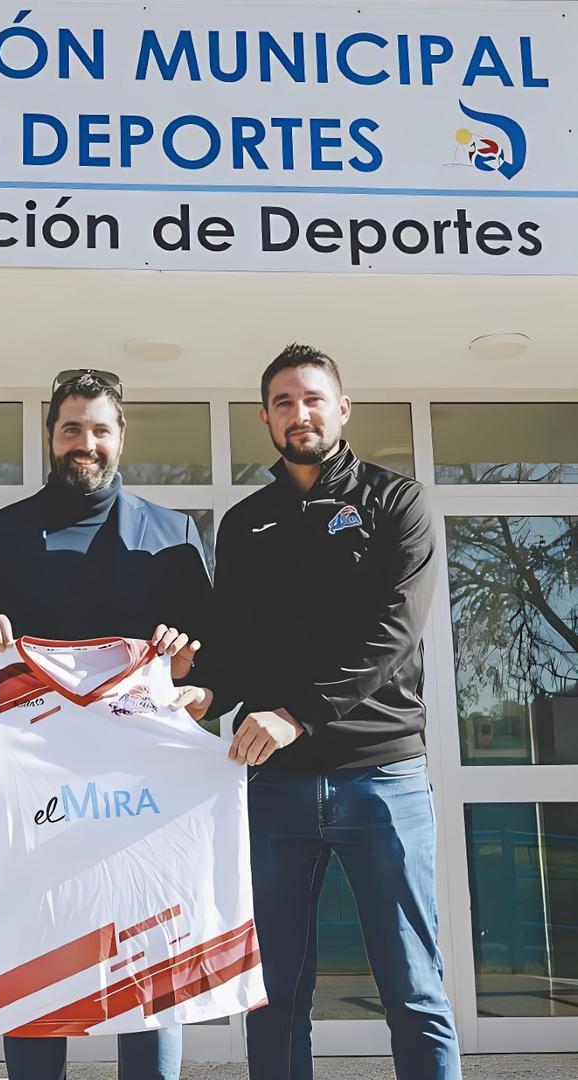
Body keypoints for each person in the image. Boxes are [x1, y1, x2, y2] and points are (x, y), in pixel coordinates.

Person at [0, 370, 214, 1080]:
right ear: (50, 436)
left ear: (122, 436)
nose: (84, 443)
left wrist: (190, 674)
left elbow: (211, 662)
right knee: (38, 971)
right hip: (38, 796)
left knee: (149, 971)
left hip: (142, 800)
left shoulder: (174, 535)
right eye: (71, 429)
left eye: (98, 429)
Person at [211, 345, 462, 1080]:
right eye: (283, 403)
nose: (300, 413)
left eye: (313, 398)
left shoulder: (398, 503)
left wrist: (295, 714)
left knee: (412, 990)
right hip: (276, 788)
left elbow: (393, 633)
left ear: (342, 409)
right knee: (275, 998)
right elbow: (235, 649)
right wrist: (203, 694)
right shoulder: (245, 523)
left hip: (383, 778)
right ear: (265, 419)